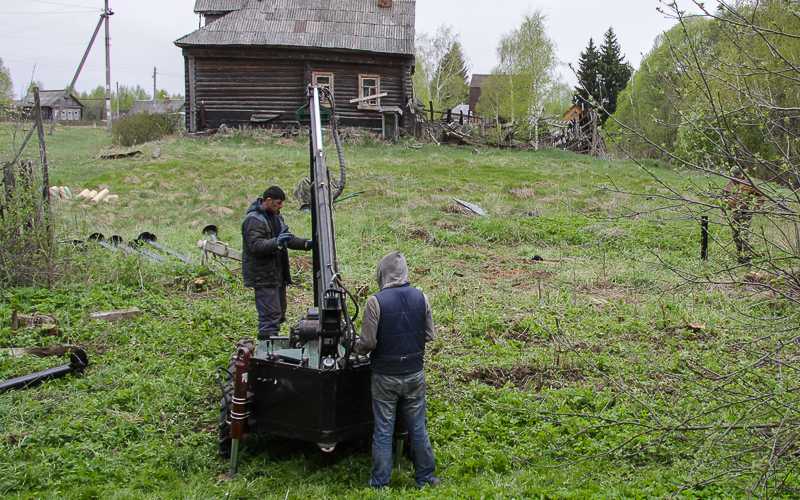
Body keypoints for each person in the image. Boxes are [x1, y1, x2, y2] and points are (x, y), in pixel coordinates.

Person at [355, 251, 441, 490]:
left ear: (382, 273)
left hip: (385, 376)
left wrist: (354, 347)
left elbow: (367, 344)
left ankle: (379, 484)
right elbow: (428, 335)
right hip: (414, 374)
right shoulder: (421, 297)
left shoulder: (375, 302)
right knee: (418, 428)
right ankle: (425, 479)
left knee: (383, 431)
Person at [241, 186, 312, 351]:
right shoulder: (254, 220)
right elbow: (255, 246)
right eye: (278, 203)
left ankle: (273, 345)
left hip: (276, 274)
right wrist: (276, 243)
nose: (281, 206)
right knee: (269, 317)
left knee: (278, 314)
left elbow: (287, 239)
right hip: (263, 276)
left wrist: (307, 243)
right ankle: (268, 350)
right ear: (268, 201)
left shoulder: (275, 217)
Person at [722, 167, 764, 263]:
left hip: (745, 212)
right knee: (736, 236)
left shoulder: (750, 182)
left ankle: (747, 259)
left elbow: (761, 195)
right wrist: (725, 199)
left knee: (744, 236)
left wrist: (755, 208)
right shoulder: (731, 181)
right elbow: (725, 190)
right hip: (734, 212)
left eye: (735, 176)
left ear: (741, 174)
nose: (733, 178)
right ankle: (739, 256)